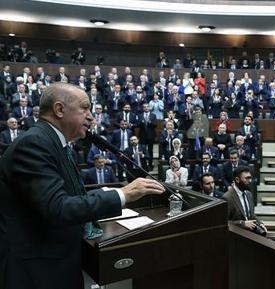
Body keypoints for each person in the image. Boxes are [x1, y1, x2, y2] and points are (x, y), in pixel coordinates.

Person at [0, 83, 164, 289]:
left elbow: (69, 194)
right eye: (85, 108)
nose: (91, 117)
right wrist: (121, 195)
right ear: (59, 109)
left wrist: (106, 195)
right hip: (37, 272)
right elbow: (58, 208)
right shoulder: (34, 143)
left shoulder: (54, 142)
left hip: (55, 263)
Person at [222, 166, 266, 235]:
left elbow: (252, 215)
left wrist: (260, 223)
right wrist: (242, 223)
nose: (250, 181)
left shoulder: (249, 194)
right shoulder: (227, 198)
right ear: (237, 179)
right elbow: (223, 223)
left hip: (250, 235)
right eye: (247, 178)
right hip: (236, 236)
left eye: (250, 178)